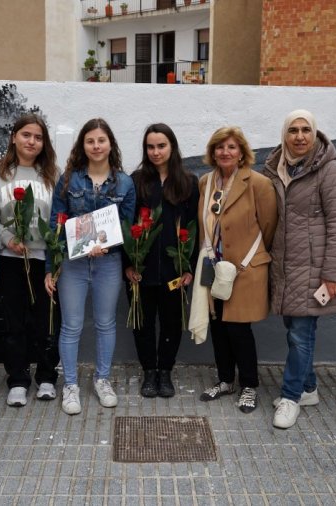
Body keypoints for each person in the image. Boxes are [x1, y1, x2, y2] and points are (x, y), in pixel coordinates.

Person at [262, 110, 336, 429]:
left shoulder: (331, 170)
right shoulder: (275, 168)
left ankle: (291, 396)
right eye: (293, 130)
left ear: (315, 134)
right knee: (297, 331)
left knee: (301, 333)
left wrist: (332, 274)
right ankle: (309, 387)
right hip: (284, 267)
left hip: (314, 268)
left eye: (306, 130)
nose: (300, 136)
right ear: (284, 135)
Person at [45, 118, 136, 415]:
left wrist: (107, 245)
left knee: (105, 323)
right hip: (72, 264)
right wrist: (51, 267)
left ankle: (102, 379)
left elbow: (126, 225)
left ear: (111, 144)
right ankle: (70, 385)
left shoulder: (124, 182)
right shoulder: (69, 180)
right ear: (82, 146)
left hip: (108, 263)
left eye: (101, 140)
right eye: (90, 141)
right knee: (71, 326)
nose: (96, 146)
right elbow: (56, 225)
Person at [0, 114, 60, 408]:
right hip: (10, 260)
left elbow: (59, 217)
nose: (32, 142)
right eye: (26, 135)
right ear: (13, 136)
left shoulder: (52, 174)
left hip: (45, 261)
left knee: (46, 322)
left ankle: (47, 376)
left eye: (38, 137)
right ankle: (18, 379)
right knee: (14, 322)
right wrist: (6, 238)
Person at [196, 126, 277, 413]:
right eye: (220, 147)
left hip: (245, 269)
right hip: (214, 267)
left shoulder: (257, 183)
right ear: (212, 152)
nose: (225, 152)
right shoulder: (206, 183)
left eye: (231, 147)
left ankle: (250, 386)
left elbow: (268, 227)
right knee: (218, 326)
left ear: (241, 152)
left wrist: (248, 257)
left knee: (239, 329)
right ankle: (225, 380)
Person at [124, 123, 199, 398]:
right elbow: (126, 224)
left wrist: (188, 267)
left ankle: (165, 371)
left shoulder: (189, 182)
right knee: (142, 323)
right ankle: (149, 372)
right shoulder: (136, 181)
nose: (156, 152)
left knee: (171, 322)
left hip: (174, 271)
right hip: (140, 271)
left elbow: (194, 227)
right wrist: (128, 265)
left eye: (161, 146)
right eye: (150, 147)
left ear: (172, 147)